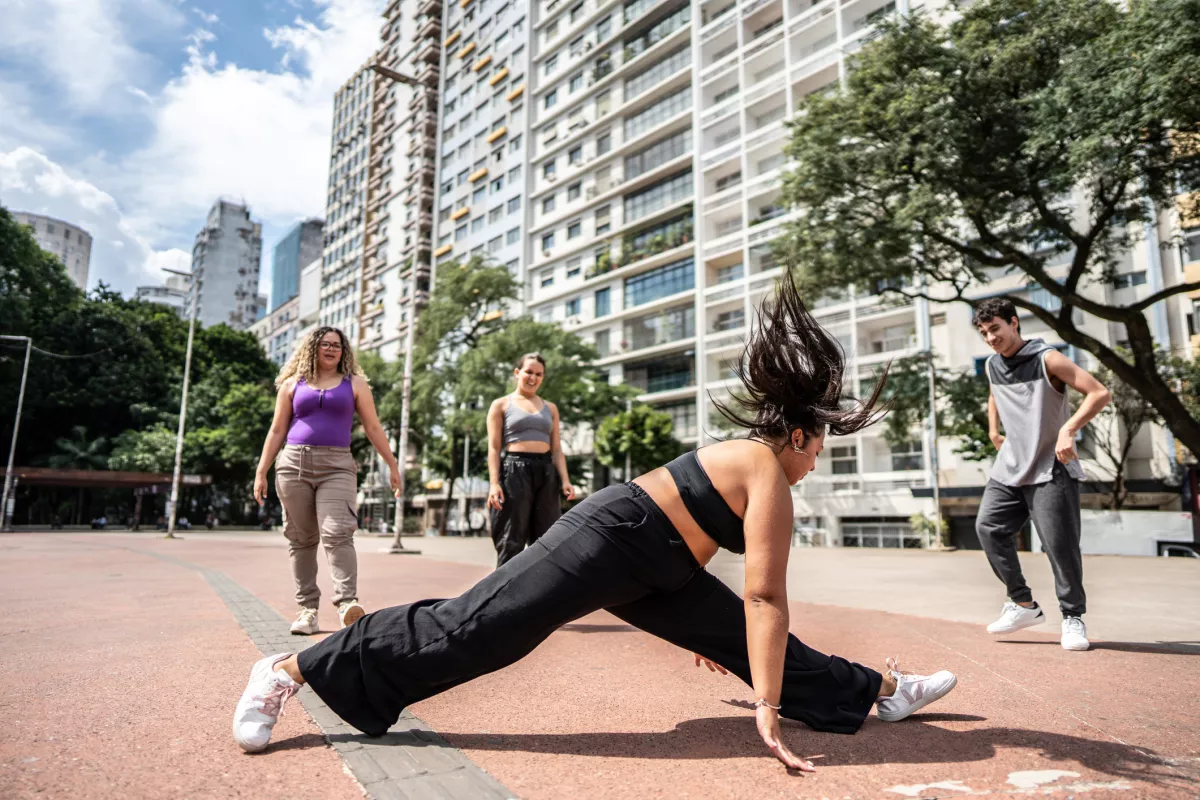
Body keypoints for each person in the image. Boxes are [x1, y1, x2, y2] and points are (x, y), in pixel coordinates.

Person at [233, 272, 959, 769]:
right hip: (615, 536)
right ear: (798, 435)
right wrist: (764, 709)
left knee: (747, 636)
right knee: (478, 630)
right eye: (819, 449)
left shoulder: (754, 463)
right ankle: (288, 670)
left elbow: (705, 537)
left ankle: (882, 693)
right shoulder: (768, 467)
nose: (814, 464)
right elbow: (766, 595)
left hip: (662, 561)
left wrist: (709, 625)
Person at [973, 299, 1111, 651]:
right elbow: (994, 392)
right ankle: (1022, 604)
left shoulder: (1047, 358)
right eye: (984, 333)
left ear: (1014, 323)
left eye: (996, 329)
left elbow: (1099, 392)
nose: (991, 338)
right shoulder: (992, 364)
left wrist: (1069, 430)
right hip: (1009, 468)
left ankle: (1072, 618)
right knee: (988, 528)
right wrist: (993, 429)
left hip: (1050, 467)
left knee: (1059, 547)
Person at [252, 326, 403, 636]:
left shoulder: (356, 385)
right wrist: (261, 470)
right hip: (293, 464)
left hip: (337, 465)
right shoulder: (292, 385)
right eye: (325, 344)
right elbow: (277, 430)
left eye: (337, 345)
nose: (332, 349)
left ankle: (347, 603)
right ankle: (307, 610)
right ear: (313, 348)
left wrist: (392, 464)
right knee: (302, 539)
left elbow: (373, 428)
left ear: (344, 351)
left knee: (338, 533)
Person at [485, 353, 577, 566]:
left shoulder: (551, 408)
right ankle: (505, 595)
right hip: (514, 470)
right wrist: (494, 483)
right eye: (528, 372)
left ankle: (539, 593)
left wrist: (565, 480)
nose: (533, 378)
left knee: (547, 537)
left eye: (538, 374)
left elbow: (556, 449)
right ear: (517, 373)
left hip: (546, 471)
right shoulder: (500, 405)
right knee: (511, 537)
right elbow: (494, 447)